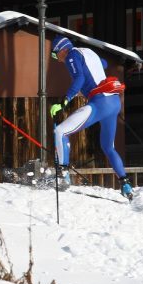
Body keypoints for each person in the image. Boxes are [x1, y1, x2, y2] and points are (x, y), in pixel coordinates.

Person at [49, 35, 133, 200]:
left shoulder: (71, 55)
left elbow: (79, 78)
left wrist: (64, 101)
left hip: (99, 103)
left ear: (62, 49)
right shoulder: (87, 51)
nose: (57, 59)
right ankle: (126, 184)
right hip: (114, 103)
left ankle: (63, 176)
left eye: (55, 54)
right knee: (108, 147)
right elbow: (104, 63)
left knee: (60, 131)